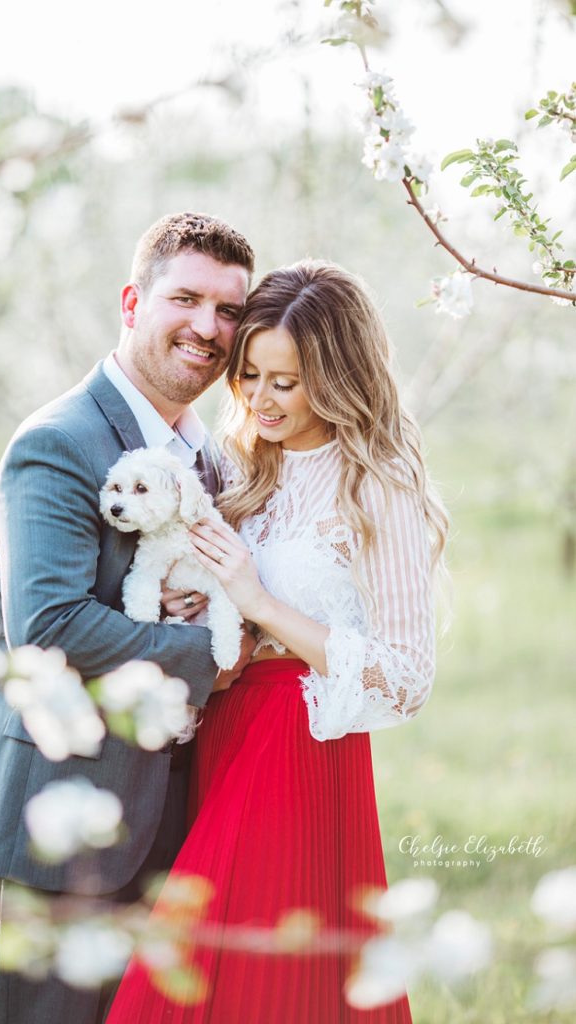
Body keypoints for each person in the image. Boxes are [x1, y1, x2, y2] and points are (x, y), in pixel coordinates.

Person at [107, 259, 449, 1023]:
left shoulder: (375, 484)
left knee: (222, 974)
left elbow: (405, 676)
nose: (260, 398)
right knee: (218, 972)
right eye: (250, 374)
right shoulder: (237, 465)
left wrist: (258, 603)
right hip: (221, 733)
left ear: (334, 376)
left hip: (296, 751)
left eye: (285, 382)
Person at [0, 211, 257, 1024]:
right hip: (67, 818)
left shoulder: (215, 458)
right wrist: (212, 652)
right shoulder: (59, 442)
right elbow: (48, 627)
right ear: (131, 301)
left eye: (228, 310)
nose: (208, 327)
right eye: (185, 299)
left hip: (182, 817)